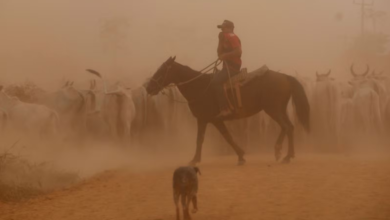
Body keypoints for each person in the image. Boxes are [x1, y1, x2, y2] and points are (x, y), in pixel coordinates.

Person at [213, 20, 242, 117]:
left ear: (230, 28)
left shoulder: (232, 36)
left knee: (216, 81)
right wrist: (220, 40)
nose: (222, 29)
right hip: (226, 67)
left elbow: (238, 52)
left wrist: (225, 55)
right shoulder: (225, 38)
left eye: (224, 28)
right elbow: (219, 54)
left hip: (232, 67)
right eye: (221, 28)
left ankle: (225, 109)